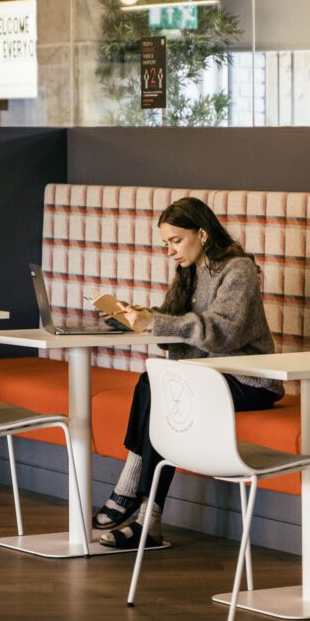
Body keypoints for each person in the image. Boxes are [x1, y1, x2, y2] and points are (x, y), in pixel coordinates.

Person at [94, 196, 283, 549]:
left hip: (250, 382)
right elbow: (175, 333)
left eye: (176, 240)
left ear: (203, 233)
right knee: (156, 381)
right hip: (209, 378)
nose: (170, 250)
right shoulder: (189, 272)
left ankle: (130, 492)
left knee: (157, 385)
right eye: (166, 243)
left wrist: (158, 321)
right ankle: (146, 517)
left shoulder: (238, 270)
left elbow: (224, 333)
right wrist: (133, 319)